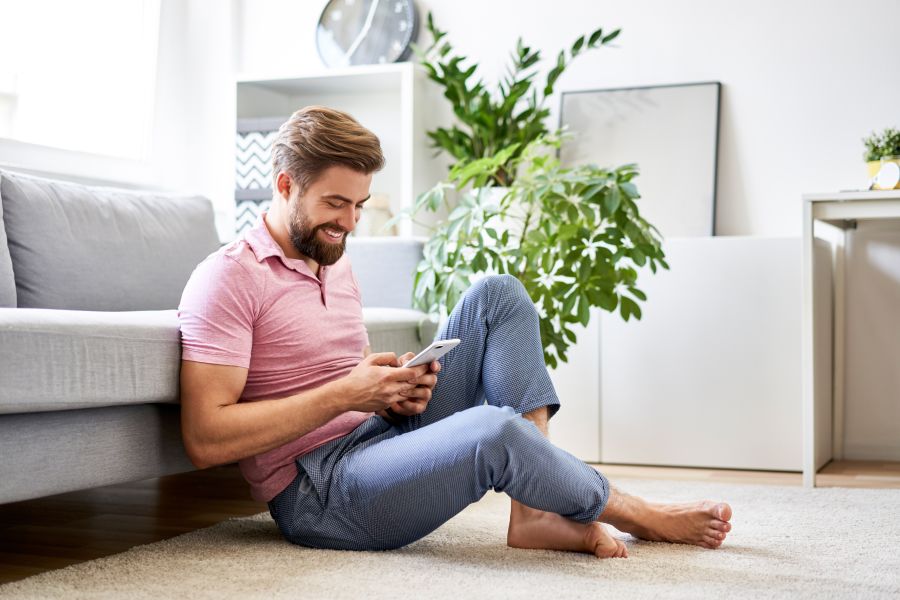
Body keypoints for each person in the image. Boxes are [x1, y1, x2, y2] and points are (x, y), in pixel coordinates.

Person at [177, 106, 732, 559]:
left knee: (498, 293)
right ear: (284, 185)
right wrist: (349, 393)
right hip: (320, 491)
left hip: (377, 435)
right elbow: (205, 438)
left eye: (359, 206)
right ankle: (640, 513)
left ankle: (532, 513)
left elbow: (346, 372)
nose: (349, 223)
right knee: (493, 430)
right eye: (335, 204)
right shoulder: (228, 278)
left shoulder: (334, 258)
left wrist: (395, 391)